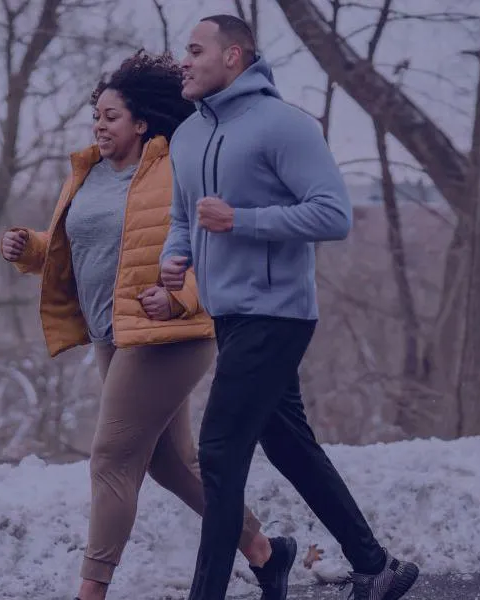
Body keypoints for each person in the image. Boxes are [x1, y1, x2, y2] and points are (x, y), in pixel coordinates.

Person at [0, 50, 294, 600]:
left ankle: (90, 592)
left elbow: (215, 246)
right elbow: (81, 248)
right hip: (117, 334)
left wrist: (179, 299)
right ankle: (265, 551)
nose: (99, 125)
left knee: (111, 459)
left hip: (172, 336)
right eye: (97, 115)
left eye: (111, 117)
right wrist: (30, 247)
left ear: (141, 122)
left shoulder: (176, 168)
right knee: (170, 464)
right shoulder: (87, 172)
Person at [159, 15, 420, 600]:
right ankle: (375, 566)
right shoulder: (188, 135)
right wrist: (176, 260)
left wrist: (240, 222)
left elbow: (334, 214)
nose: (184, 60)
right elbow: (185, 216)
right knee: (287, 445)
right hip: (227, 313)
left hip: (277, 312)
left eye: (195, 50)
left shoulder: (283, 126)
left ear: (234, 57)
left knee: (221, 451)